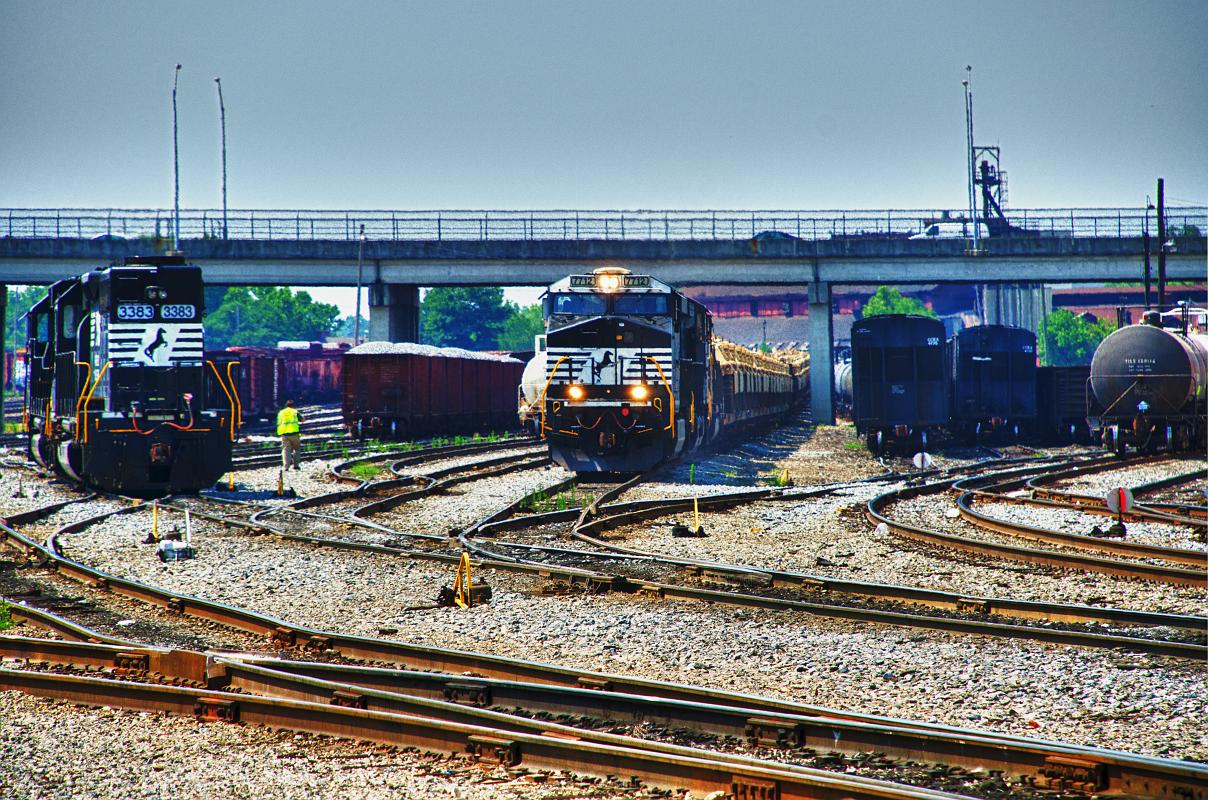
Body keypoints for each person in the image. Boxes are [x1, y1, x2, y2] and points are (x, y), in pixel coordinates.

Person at [277, 400, 303, 471]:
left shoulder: (281, 412)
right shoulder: (295, 412)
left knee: (286, 450)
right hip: (294, 433)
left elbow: (279, 422)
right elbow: (303, 420)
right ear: (293, 406)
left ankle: (286, 467)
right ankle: (296, 466)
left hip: (284, 434)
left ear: (286, 405)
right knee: (297, 449)